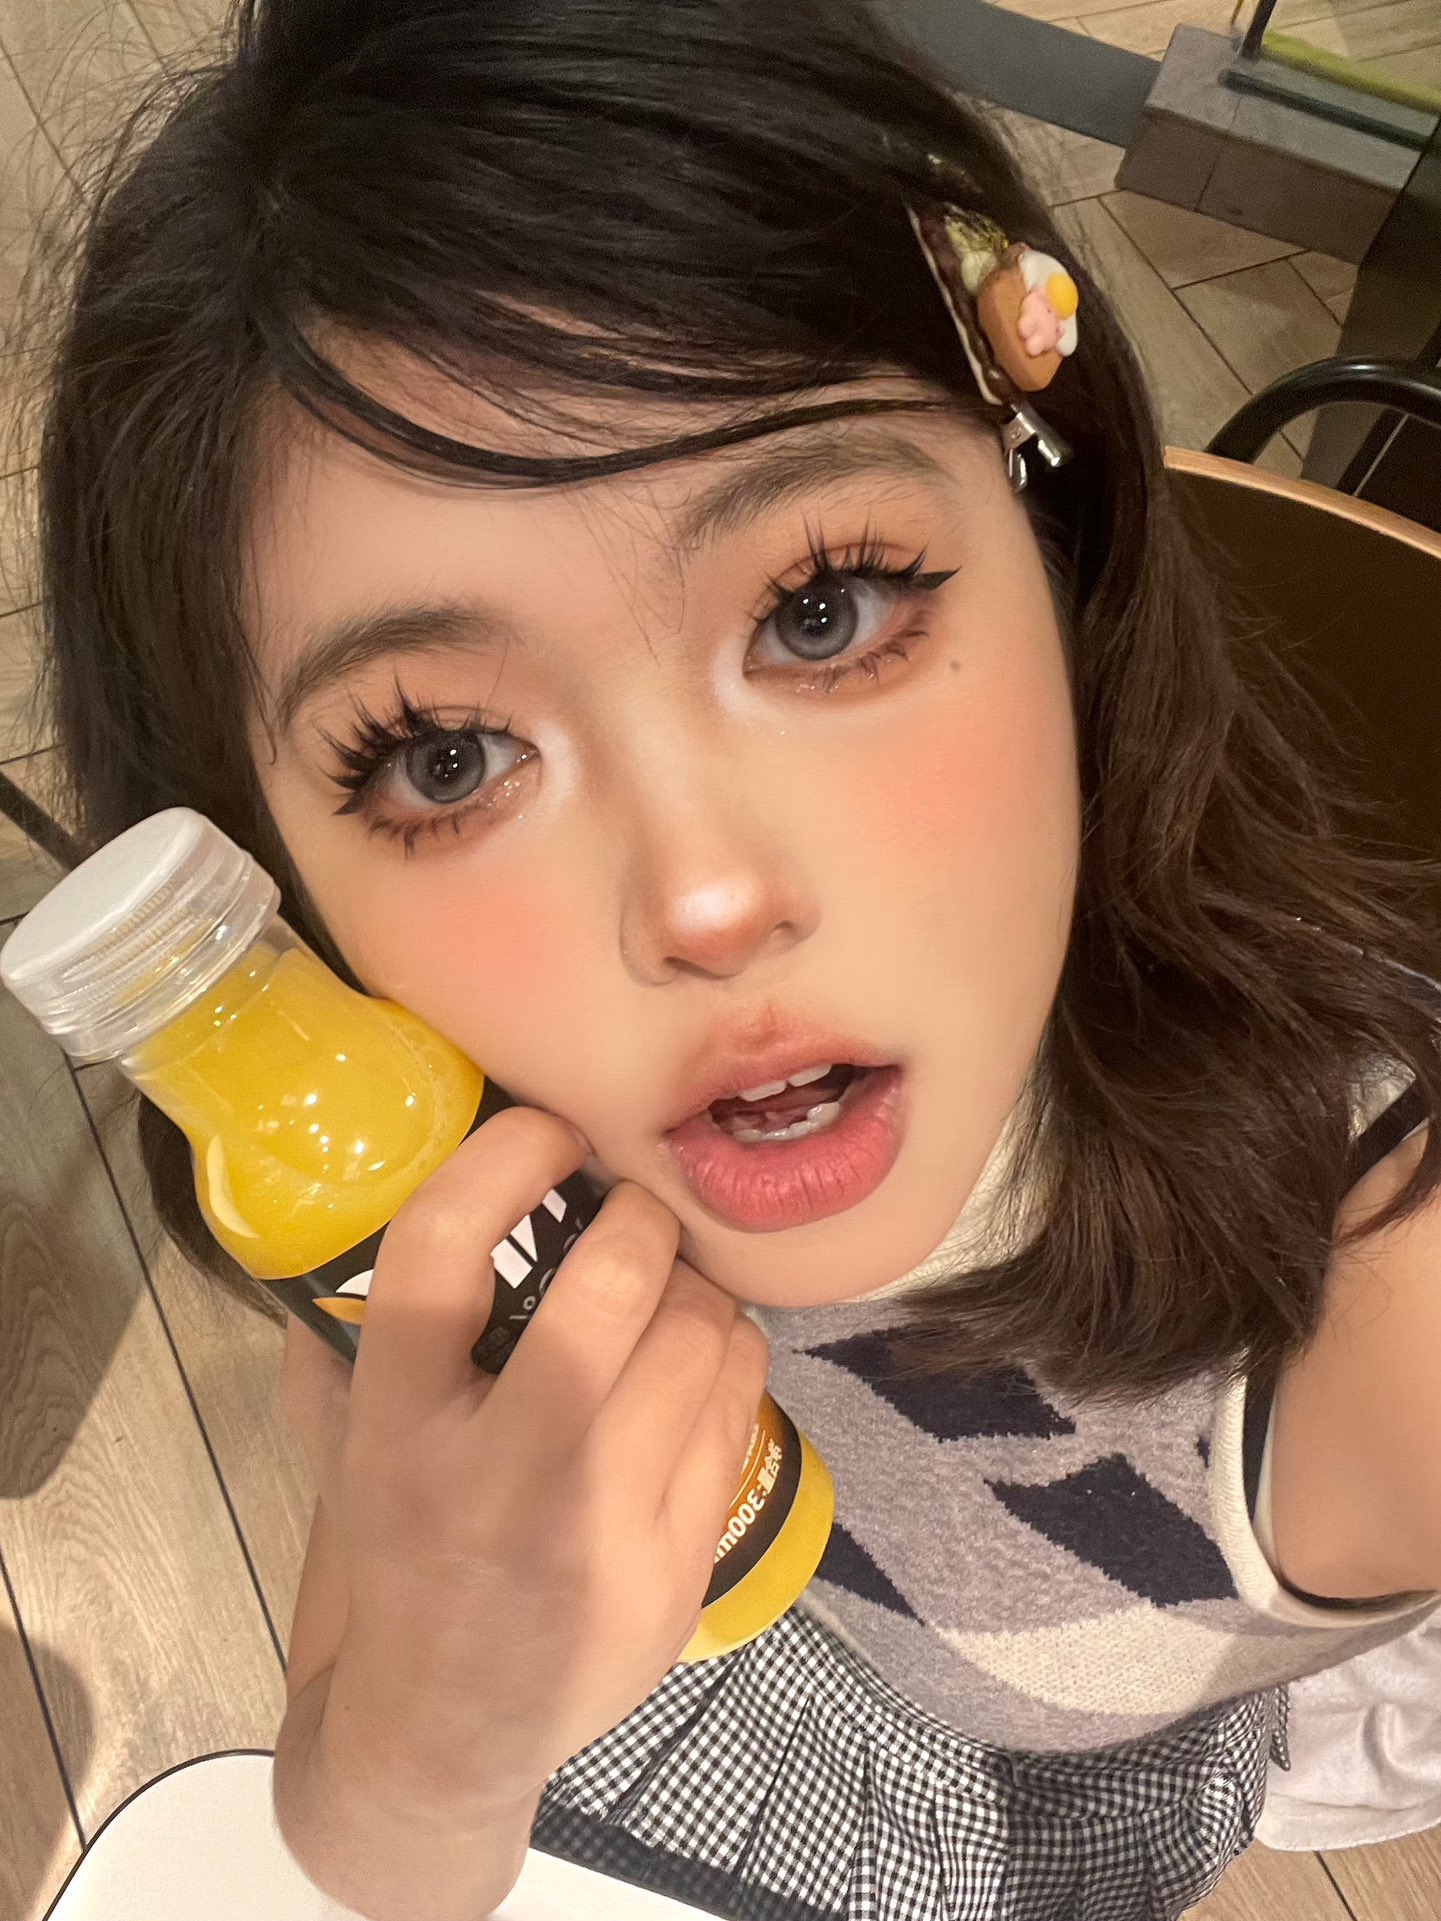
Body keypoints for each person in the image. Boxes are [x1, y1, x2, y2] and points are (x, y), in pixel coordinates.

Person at [15, 1, 1441, 1916]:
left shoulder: (1386, 1286)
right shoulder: (415, 1168)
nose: (702, 898)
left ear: (1058, 550)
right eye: (446, 758)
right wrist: (426, 1749)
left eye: (823, 607)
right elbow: (371, 1838)